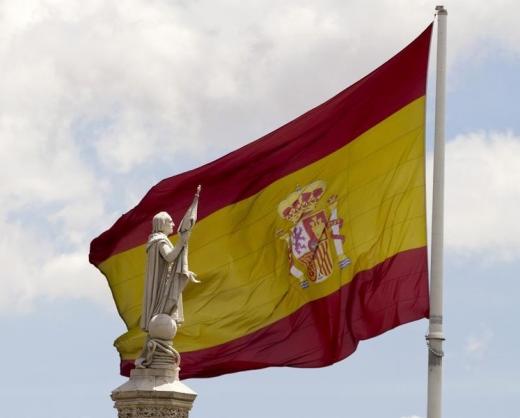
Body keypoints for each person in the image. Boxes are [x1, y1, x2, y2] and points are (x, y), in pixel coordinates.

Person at [139, 186, 201, 332]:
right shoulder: (160, 240)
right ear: (162, 224)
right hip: (162, 288)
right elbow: (170, 256)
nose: (173, 224)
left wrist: (184, 271)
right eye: (170, 222)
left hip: (162, 285)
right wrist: (182, 241)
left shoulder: (155, 240)